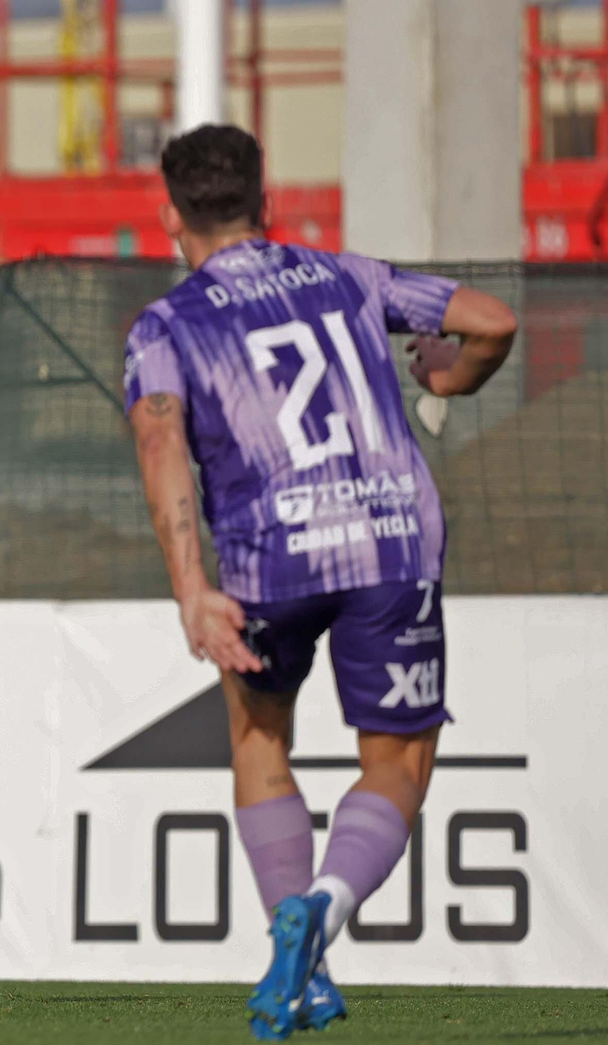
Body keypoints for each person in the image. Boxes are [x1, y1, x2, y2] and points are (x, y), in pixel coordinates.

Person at [125, 125, 517, 1040]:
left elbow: (159, 444)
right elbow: (492, 320)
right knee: (400, 761)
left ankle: (298, 953)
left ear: (172, 216)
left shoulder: (168, 323)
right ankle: (325, 914)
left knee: (260, 739)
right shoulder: (351, 276)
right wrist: (453, 378)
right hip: (391, 541)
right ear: (267, 203)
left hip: (272, 559)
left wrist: (190, 585)